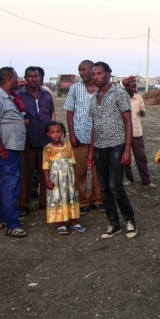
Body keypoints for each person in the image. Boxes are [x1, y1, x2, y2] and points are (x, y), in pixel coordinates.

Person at [88, 62, 137, 239]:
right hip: (100, 147)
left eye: (99, 74)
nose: (96, 77)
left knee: (115, 186)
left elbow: (128, 121)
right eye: (94, 74)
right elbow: (94, 126)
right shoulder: (94, 98)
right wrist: (92, 151)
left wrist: (127, 150)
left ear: (108, 74)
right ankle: (114, 224)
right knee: (104, 188)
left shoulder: (119, 94)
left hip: (117, 145)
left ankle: (130, 220)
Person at [0, 67, 28, 237]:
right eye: (17, 77)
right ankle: (13, 225)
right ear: (9, 79)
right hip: (6, 148)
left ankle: (2, 218)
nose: (18, 80)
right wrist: (1, 148)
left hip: (12, 147)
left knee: (6, 183)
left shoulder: (9, 98)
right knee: (11, 185)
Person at [63, 60, 104, 216]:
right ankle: (82, 201)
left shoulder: (102, 89)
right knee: (79, 172)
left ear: (92, 70)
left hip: (99, 138)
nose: (82, 73)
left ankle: (97, 200)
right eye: (79, 70)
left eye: (84, 70)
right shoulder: (75, 88)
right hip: (79, 137)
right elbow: (69, 111)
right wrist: (71, 134)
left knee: (97, 171)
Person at [17, 67, 55, 217]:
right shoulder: (19, 95)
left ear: (40, 78)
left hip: (45, 141)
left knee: (45, 172)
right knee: (25, 174)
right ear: (25, 78)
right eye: (30, 76)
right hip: (28, 140)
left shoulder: (46, 94)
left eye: (36, 76)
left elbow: (50, 113)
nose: (33, 79)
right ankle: (23, 204)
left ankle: (44, 202)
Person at [43, 121, 85, 235]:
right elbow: (45, 166)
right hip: (56, 180)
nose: (56, 134)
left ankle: (73, 221)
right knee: (58, 198)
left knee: (71, 197)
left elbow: (73, 160)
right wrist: (47, 180)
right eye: (52, 132)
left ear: (62, 132)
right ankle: (61, 223)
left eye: (58, 131)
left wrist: (75, 174)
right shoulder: (47, 148)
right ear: (48, 134)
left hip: (68, 178)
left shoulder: (68, 145)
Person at [122, 76, 155, 188]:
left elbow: (143, 109)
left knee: (141, 157)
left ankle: (146, 181)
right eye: (131, 87)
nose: (133, 89)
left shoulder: (139, 98)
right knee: (125, 158)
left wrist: (142, 112)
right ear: (125, 86)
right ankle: (130, 179)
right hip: (124, 134)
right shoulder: (121, 99)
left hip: (136, 132)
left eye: (135, 86)